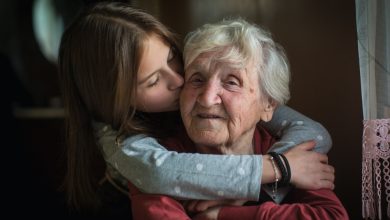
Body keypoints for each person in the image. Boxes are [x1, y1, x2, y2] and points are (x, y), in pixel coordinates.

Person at [58, 2, 334, 212]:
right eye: (154, 80)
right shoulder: (123, 144)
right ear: (116, 100)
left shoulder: (250, 112)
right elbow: (160, 172)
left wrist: (264, 188)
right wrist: (278, 168)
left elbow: (314, 133)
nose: (179, 79)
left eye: (172, 58)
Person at [127, 18, 348, 219]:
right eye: (197, 79)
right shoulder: (159, 164)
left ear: (268, 105)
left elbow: (332, 216)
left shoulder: (289, 152)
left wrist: (222, 215)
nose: (206, 98)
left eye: (231, 82)